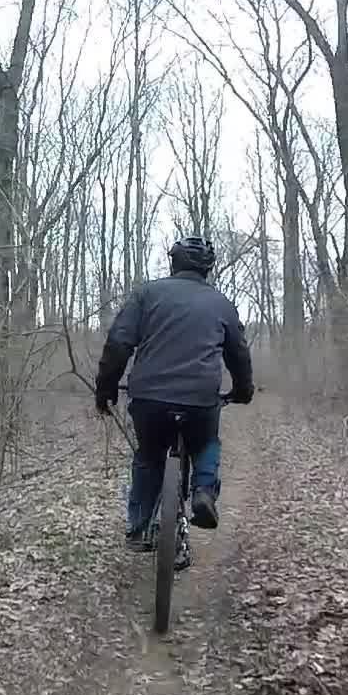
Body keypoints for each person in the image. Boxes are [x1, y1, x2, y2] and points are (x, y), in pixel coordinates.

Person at [95, 235, 254, 559]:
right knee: (206, 442)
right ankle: (204, 492)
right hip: (200, 399)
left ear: (173, 262)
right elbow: (239, 355)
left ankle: (139, 526)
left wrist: (106, 387)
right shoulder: (221, 303)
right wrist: (242, 391)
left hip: (149, 398)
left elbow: (119, 343)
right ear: (209, 269)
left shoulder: (147, 294)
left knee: (149, 456)